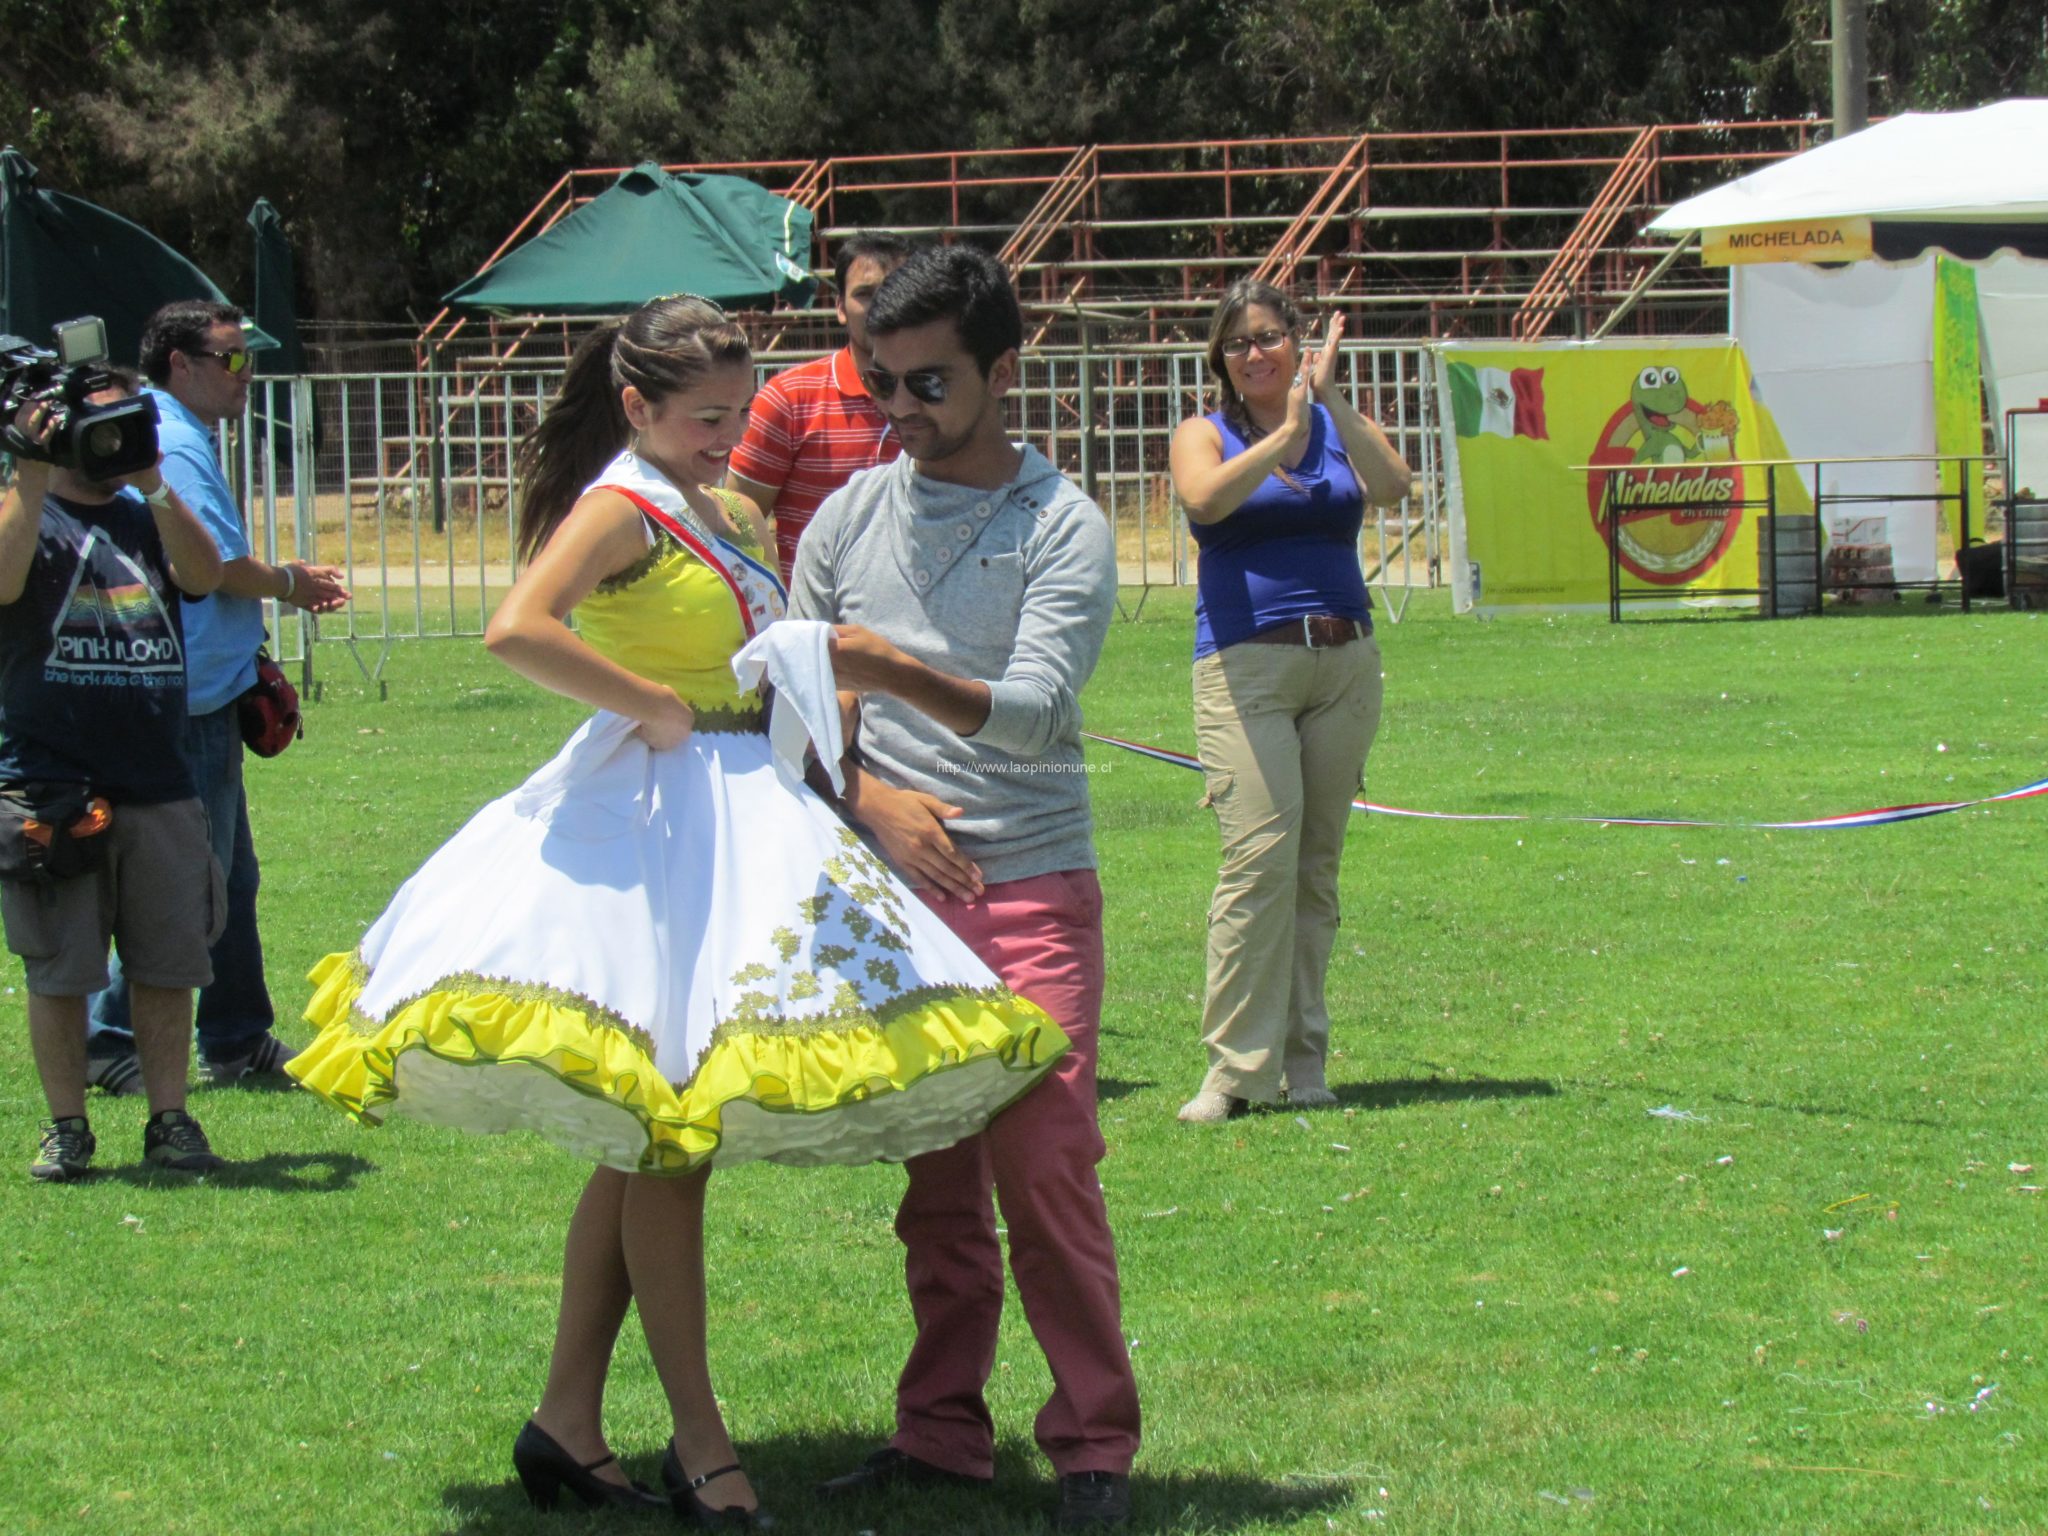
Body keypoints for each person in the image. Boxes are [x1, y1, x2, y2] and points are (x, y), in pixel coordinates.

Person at [285, 294, 1069, 1522]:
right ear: (638, 406)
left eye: (739, 413)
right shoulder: (621, 504)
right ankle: (700, 1447)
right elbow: (516, 628)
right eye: (706, 417)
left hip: (737, 811)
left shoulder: (720, 506)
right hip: (656, 826)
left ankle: (566, 1423)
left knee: (648, 1129)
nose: (730, 437)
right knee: (669, 1134)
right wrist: (645, 701)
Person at [788, 245, 1139, 1530]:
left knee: (1043, 1166)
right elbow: (789, 701)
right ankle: (938, 1435)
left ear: (1003, 368)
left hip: (1030, 882)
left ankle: (1092, 1444)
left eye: (929, 381)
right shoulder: (844, 515)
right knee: (933, 1186)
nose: (899, 409)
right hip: (885, 896)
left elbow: (1038, 717)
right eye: (881, 381)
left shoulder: (1065, 524)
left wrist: (880, 666)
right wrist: (866, 801)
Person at [84, 300, 350, 1096]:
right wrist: (290, 585)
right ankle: (110, 1038)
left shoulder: (172, 432)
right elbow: (217, 566)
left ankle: (235, 1036)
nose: (245, 376)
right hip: (186, 699)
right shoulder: (171, 438)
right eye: (231, 360)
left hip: (203, 690)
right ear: (180, 363)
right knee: (181, 879)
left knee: (226, 876)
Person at [1166, 280, 1412, 1123]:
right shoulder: (1205, 433)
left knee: (1315, 869)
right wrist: (1286, 436)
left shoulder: (1329, 422)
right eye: (1238, 343)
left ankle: (1305, 1063)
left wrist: (1330, 399)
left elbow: (1394, 487)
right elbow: (1204, 499)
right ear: (1220, 360)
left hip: (1343, 663)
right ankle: (1233, 1071)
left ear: (1298, 342)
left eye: (1270, 337)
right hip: (1248, 669)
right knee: (1257, 865)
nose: (1255, 354)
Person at [1, 374, 228, 1179]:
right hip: (51, 783)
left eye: (123, 424)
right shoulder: (24, 512)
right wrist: (28, 470)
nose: (111, 441)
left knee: (168, 964)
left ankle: (171, 1118)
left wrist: (158, 482)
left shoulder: (142, 514)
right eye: (96, 428)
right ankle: (68, 1128)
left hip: (157, 779)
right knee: (60, 969)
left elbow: (203, 575)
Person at [727, 231, 913, 581]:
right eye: (865, 294)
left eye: (897, 291)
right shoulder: (789, 400)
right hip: (817, 624)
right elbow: (736, 525)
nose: (883, 306)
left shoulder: (943, 398)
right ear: (840, 307)